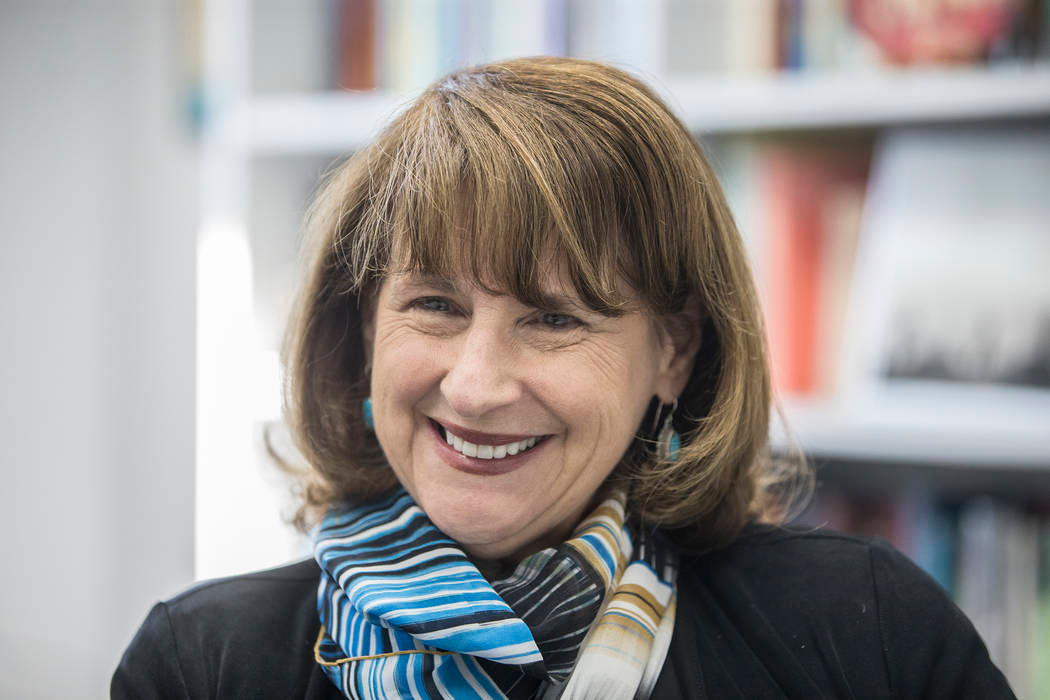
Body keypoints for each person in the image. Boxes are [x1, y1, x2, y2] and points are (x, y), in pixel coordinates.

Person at [112, 57, 1014, 699]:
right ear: (359, 330)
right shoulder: (201, 665)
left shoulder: (865, 632)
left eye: (554, 319)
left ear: (675, 350)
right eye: (434, 305)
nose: (474, 386)